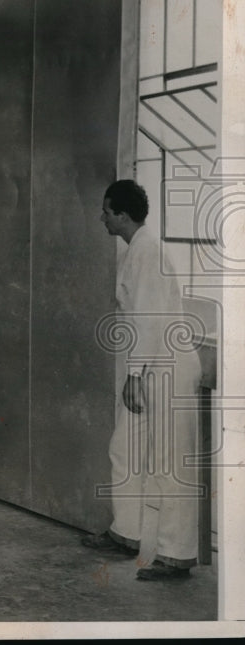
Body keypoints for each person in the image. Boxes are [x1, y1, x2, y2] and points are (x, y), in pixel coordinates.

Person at [81, 179, 201, 580]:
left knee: (168, 463)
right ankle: (127, 532)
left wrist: (134, 375)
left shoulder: (147, 251)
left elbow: (148, 317)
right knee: (124, 449)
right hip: (148, 364)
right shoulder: (137, 249)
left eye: (106, 211)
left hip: (165, 367)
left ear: (122, 215)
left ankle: (175, 554)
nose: (102, 217)